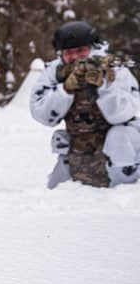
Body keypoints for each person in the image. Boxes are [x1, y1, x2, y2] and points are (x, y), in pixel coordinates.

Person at [30, 21, 140, 189]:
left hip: (118, 152)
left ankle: (126, 186)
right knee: (54, 195)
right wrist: (65, 90)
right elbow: (42, 115)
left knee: (121, 134)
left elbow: (124, 113)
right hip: (80, 150)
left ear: (92, 48)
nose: (75, 58)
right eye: (69, 53)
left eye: (81, 51)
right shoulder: (54, 72)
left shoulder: (114, 70)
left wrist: (103, 88)